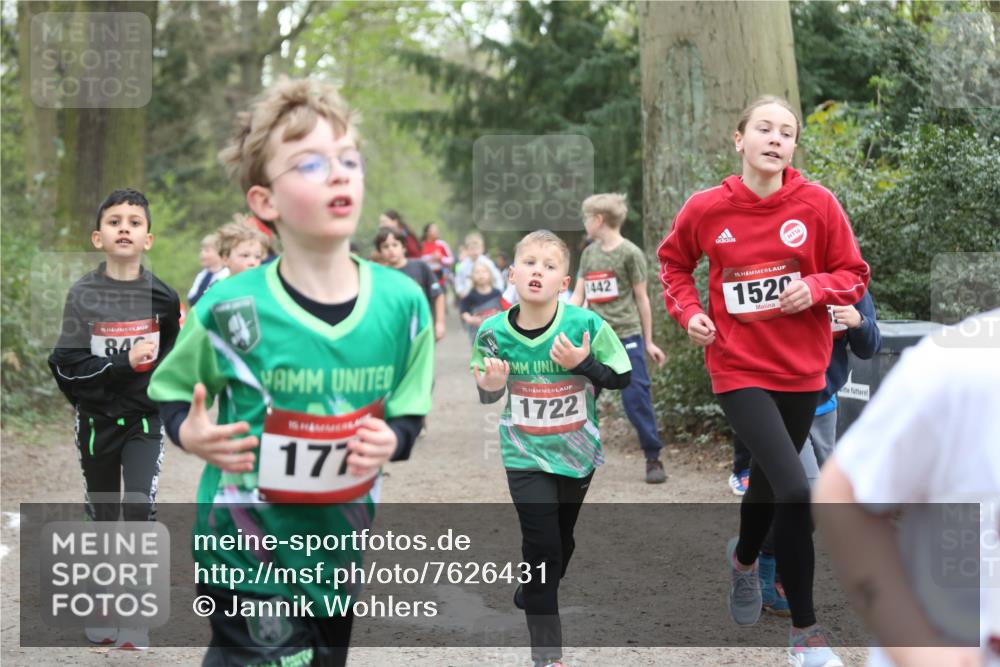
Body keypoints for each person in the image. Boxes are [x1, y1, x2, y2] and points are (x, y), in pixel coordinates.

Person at [148, 78, 434, 667]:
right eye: (309, 163)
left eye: (348, 159)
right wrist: (188, 432)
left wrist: (394, 438)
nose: (338, 173)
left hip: (337, 547)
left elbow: (408, 406)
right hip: (242, 547)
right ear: (264, 203)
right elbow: (170, 393)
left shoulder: (401, 303)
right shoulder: (228, 308)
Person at [657, 94, 870, 667]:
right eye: (765, 129)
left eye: (787, 133)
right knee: (798, 489)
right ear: (740, 139)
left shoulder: (818, 204)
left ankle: (744, 558)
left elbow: (853, 273)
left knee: (769, 486)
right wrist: (688, 312)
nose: (777, 139)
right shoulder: (707, 208)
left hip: (803, 369)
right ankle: (807, 634)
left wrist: (818, 288)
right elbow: (674, 264)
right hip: (737, 366)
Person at [471, 230, 631, 667]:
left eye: (549, 264)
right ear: (512, 274)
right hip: (523, 453)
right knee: (541, 548)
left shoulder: (585, 325)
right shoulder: (492, 332)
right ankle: (548, 657)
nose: (537, 270)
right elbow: (487, 392)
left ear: (565, 281)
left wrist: (584, 364)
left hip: (577, 453)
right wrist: (490, 386)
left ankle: (534, 585)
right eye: (529, 262)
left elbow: (622, 377)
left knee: (560, 544)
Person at [815, 308, 1000, 667]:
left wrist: (857, 322)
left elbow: (867, 337)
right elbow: (843, 490)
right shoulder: (962, 366)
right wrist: (915, 644)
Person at [48, 187, 182, 650]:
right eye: (114, 221)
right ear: (97, 237)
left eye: (135, 221)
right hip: (96, 422)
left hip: (145, 421)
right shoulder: (82, 295)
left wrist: (163, 391)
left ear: (148, 238)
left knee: (139, 507)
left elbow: (172, 364)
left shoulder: (163, 298)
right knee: (104, 514)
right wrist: (122, 366)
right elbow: (65, 363)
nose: (124, 227)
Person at [733, 291, 883, 617]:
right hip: (778, 406)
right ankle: (772, 572)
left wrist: (858, 322)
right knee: (805, 493)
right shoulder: (779, 276)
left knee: (808, 498)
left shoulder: (849, 285)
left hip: (825, 405)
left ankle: (761, 555)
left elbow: (869, 346)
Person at [571, 193, 668, 484]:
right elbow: (578, 296)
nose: (584, 224)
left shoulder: (630, 253)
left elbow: (642, 299)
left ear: (599, 220)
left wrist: (648, 341)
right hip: (594, 338)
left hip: (627, 338)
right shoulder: (588, 254)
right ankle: (575, 454)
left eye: (586, 218)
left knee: (636, 398)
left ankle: (653, 458)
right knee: (581, 396)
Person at [376, 225, 446, 342]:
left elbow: (438, 294)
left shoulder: (419, 266)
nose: (391, 250)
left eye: (395, 245)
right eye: (385, 246)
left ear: (403, 247)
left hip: (421, 328)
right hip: (393, 332)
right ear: (380, 251)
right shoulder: (380, 275)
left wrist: (439, 323)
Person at [459, 258, 503, 345]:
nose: (481, 275)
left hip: (496, 331)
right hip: (478, 332)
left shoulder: (497, 293)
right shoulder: (470, 296)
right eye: (477, 272)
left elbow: (504, 310)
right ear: (472, 276)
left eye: (484, 272)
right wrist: (471, 319)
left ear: (490, 275)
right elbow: (464, 311)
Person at [454, 231, 503, 298]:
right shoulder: (463, 266)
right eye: (472, 249)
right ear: (467, 249)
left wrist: (497, 292)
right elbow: (458, 282)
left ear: (482, 248)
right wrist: (460, 292)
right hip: (469, 298)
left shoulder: (488, 263)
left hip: (487, 297)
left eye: (477, 248)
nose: (475, 252)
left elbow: (498, 279)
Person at [188, 233, 224, 307]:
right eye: (201, 250)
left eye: (207, 251)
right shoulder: (202, 275)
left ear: (219, 253)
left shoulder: (226, 275)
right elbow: (191, 298)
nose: (202, 254)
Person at [420, 222, 455, 288]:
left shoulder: (442, 244)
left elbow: (451, 260)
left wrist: (441, 258)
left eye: (437, 229)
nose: (436, 231)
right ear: (427, 232)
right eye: (433, 229)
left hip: (440, 279)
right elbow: (418, 261)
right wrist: (430, 259)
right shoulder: (421, 246)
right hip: (425, 280)